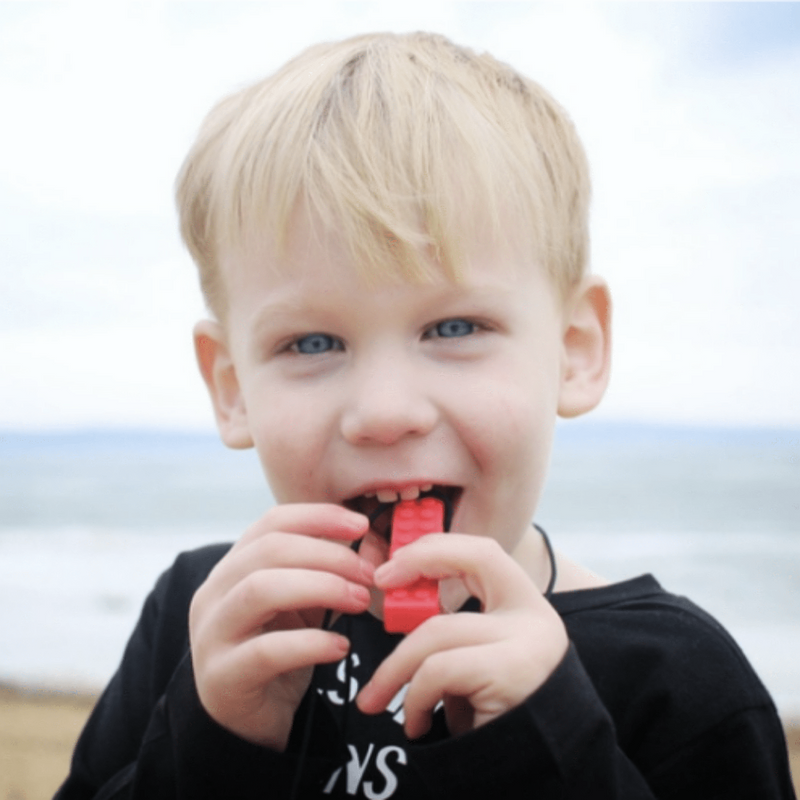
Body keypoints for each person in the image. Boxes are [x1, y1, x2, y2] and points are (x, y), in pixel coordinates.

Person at [56, 31, 796, 799]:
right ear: (232, 386)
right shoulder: (201, 614)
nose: (384, 413)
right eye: (312, 341)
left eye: (454, 328)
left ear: (575, 350)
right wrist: (214, 746)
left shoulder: (676, 679)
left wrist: (551, 748)